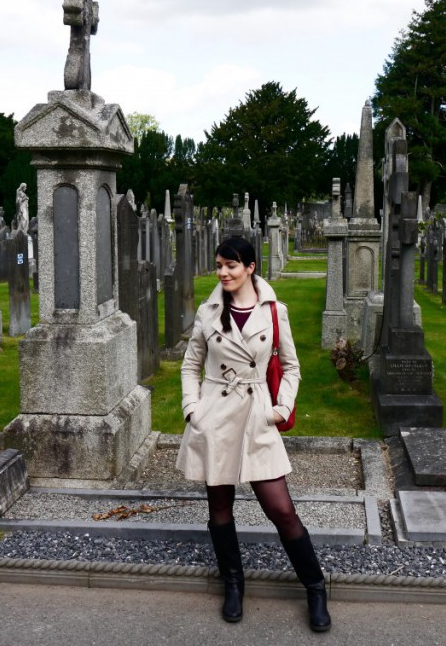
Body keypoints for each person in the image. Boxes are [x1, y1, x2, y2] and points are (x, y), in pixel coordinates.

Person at [177, 235, 331, 632]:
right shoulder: (208, 312)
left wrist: (282, 408)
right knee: (220, 507)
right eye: (219, 265)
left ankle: (315, 587)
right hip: (215, 417)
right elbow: (190, 364)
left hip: (258, 416)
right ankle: (233, 584)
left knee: (280, 508)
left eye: (230, 265)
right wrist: (192, 408)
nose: (222, 272)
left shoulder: (275, 311)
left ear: (250, 268)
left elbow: (292, 367)